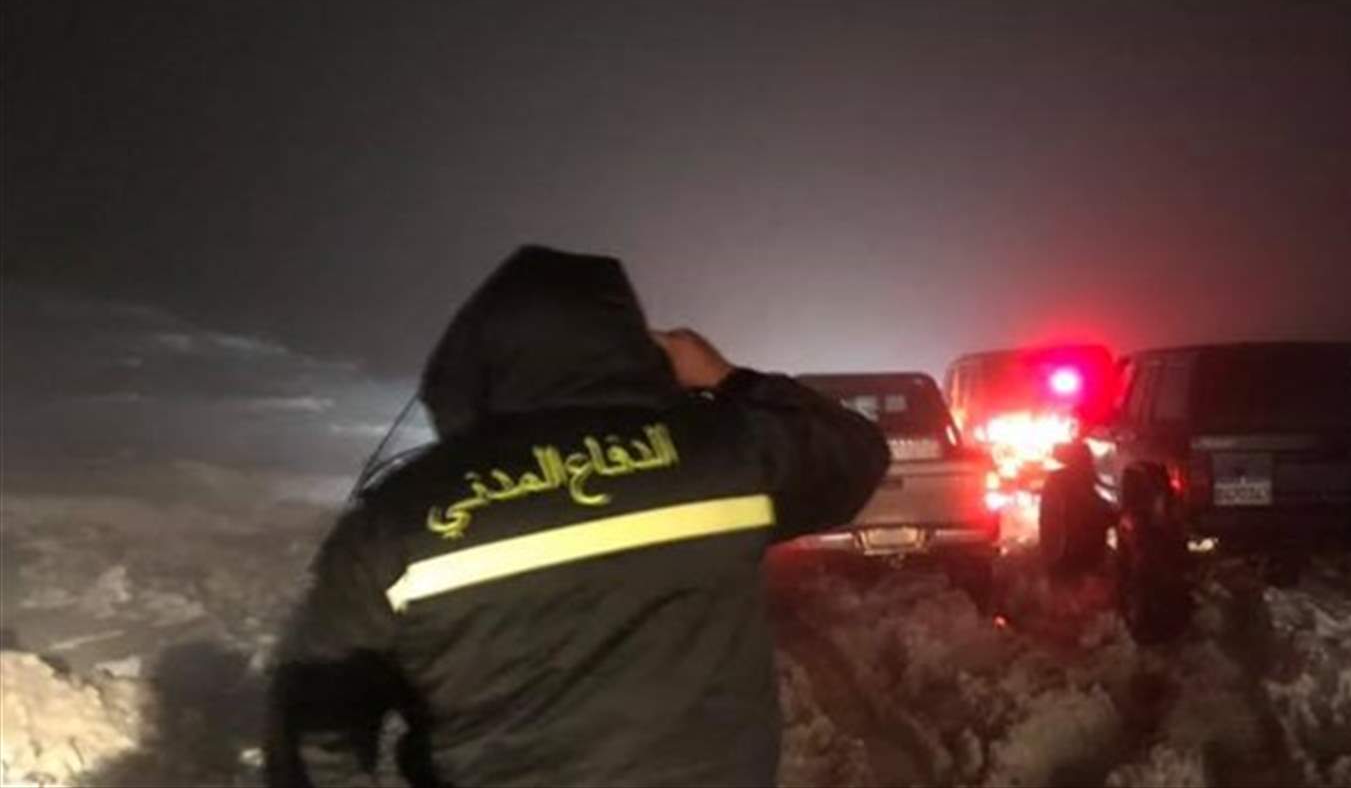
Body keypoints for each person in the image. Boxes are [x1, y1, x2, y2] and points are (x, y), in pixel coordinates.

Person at [266, 244, 890, 787]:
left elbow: (314, 730)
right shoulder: (722, 451)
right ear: (631, 347)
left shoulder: (398, 515)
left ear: (477, 359)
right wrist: (725, 377)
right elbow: (856, 454)